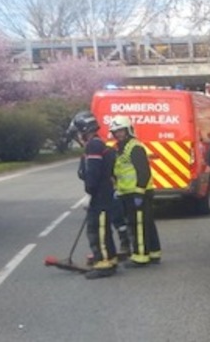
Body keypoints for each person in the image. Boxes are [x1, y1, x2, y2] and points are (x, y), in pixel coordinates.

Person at [69, 111, 118, 279]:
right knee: (100, 229)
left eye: (77, 132)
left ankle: (104, 264)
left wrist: (89, 193)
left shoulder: (94, 146)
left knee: (98, 230)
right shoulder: (96, 144)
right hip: (102, 194)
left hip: (100, 196)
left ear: (84, 130)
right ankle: (109, 259)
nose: (77, 136)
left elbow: (94, 173)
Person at [109, 115, 162, 267]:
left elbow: (143, 172)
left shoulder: (134, 147)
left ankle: (140, 257)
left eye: (121, 131)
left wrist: (139, 192)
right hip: (127, 192)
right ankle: (154, 253)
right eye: (116, 132)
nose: (118, 134)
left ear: (128, 130)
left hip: (138, 193)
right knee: (147, 224)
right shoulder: (121, 148)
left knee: (137, 225)